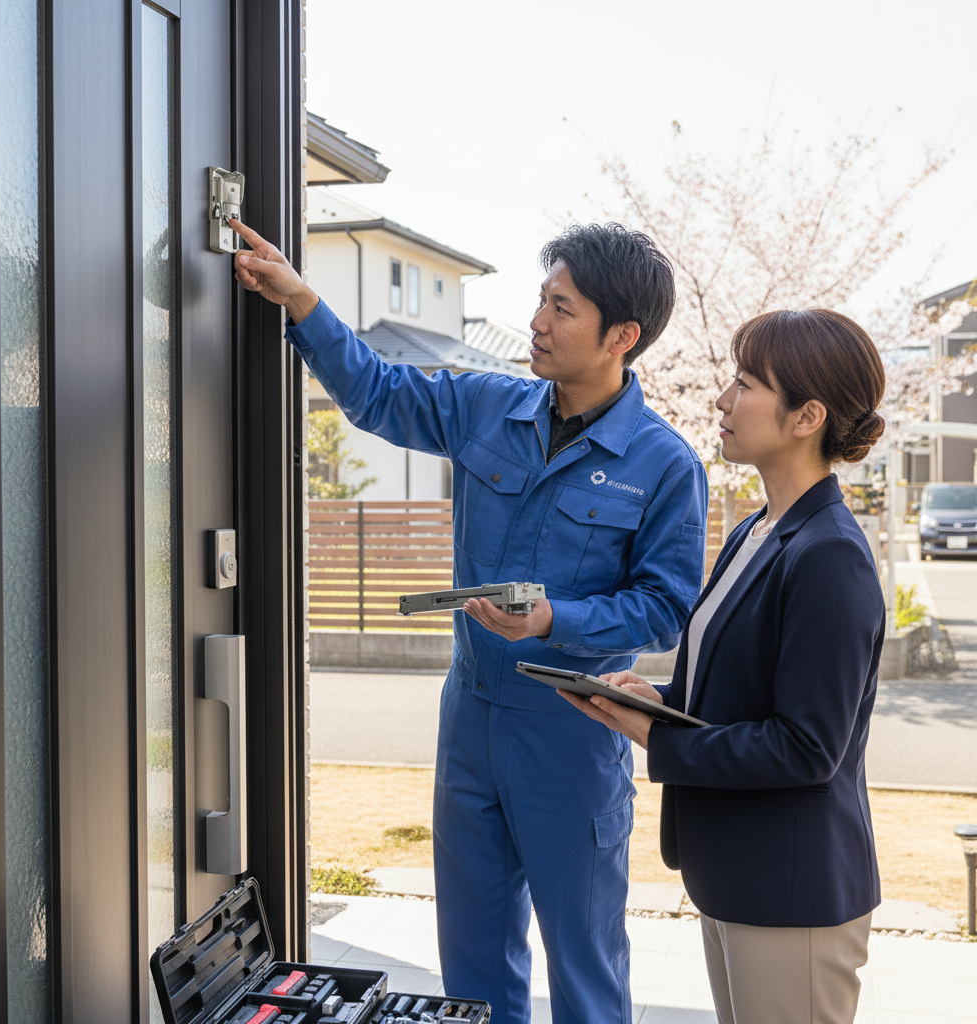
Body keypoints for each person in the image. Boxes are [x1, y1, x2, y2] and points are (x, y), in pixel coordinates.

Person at [230, 218, 708, 1024]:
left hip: (571, 734)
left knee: (585, 964)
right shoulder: (490, 406)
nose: (538, 321)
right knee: (474, 964)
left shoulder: (666, 465)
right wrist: (301, 299)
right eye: (541, 300)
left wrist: (558, 617)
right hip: (470, 720)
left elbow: (664, 609)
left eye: (562, 307)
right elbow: (379, 390)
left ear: (622, 335)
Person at [561, 308, 886, 1024]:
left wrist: (661, 738)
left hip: (792, 890)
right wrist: (659, 698)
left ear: (807, 416)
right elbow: (745, 691)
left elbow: (806, 747)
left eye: (744, 385)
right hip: (740, 876)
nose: (721, 401)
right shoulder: (758, 529)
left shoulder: (828, 554)